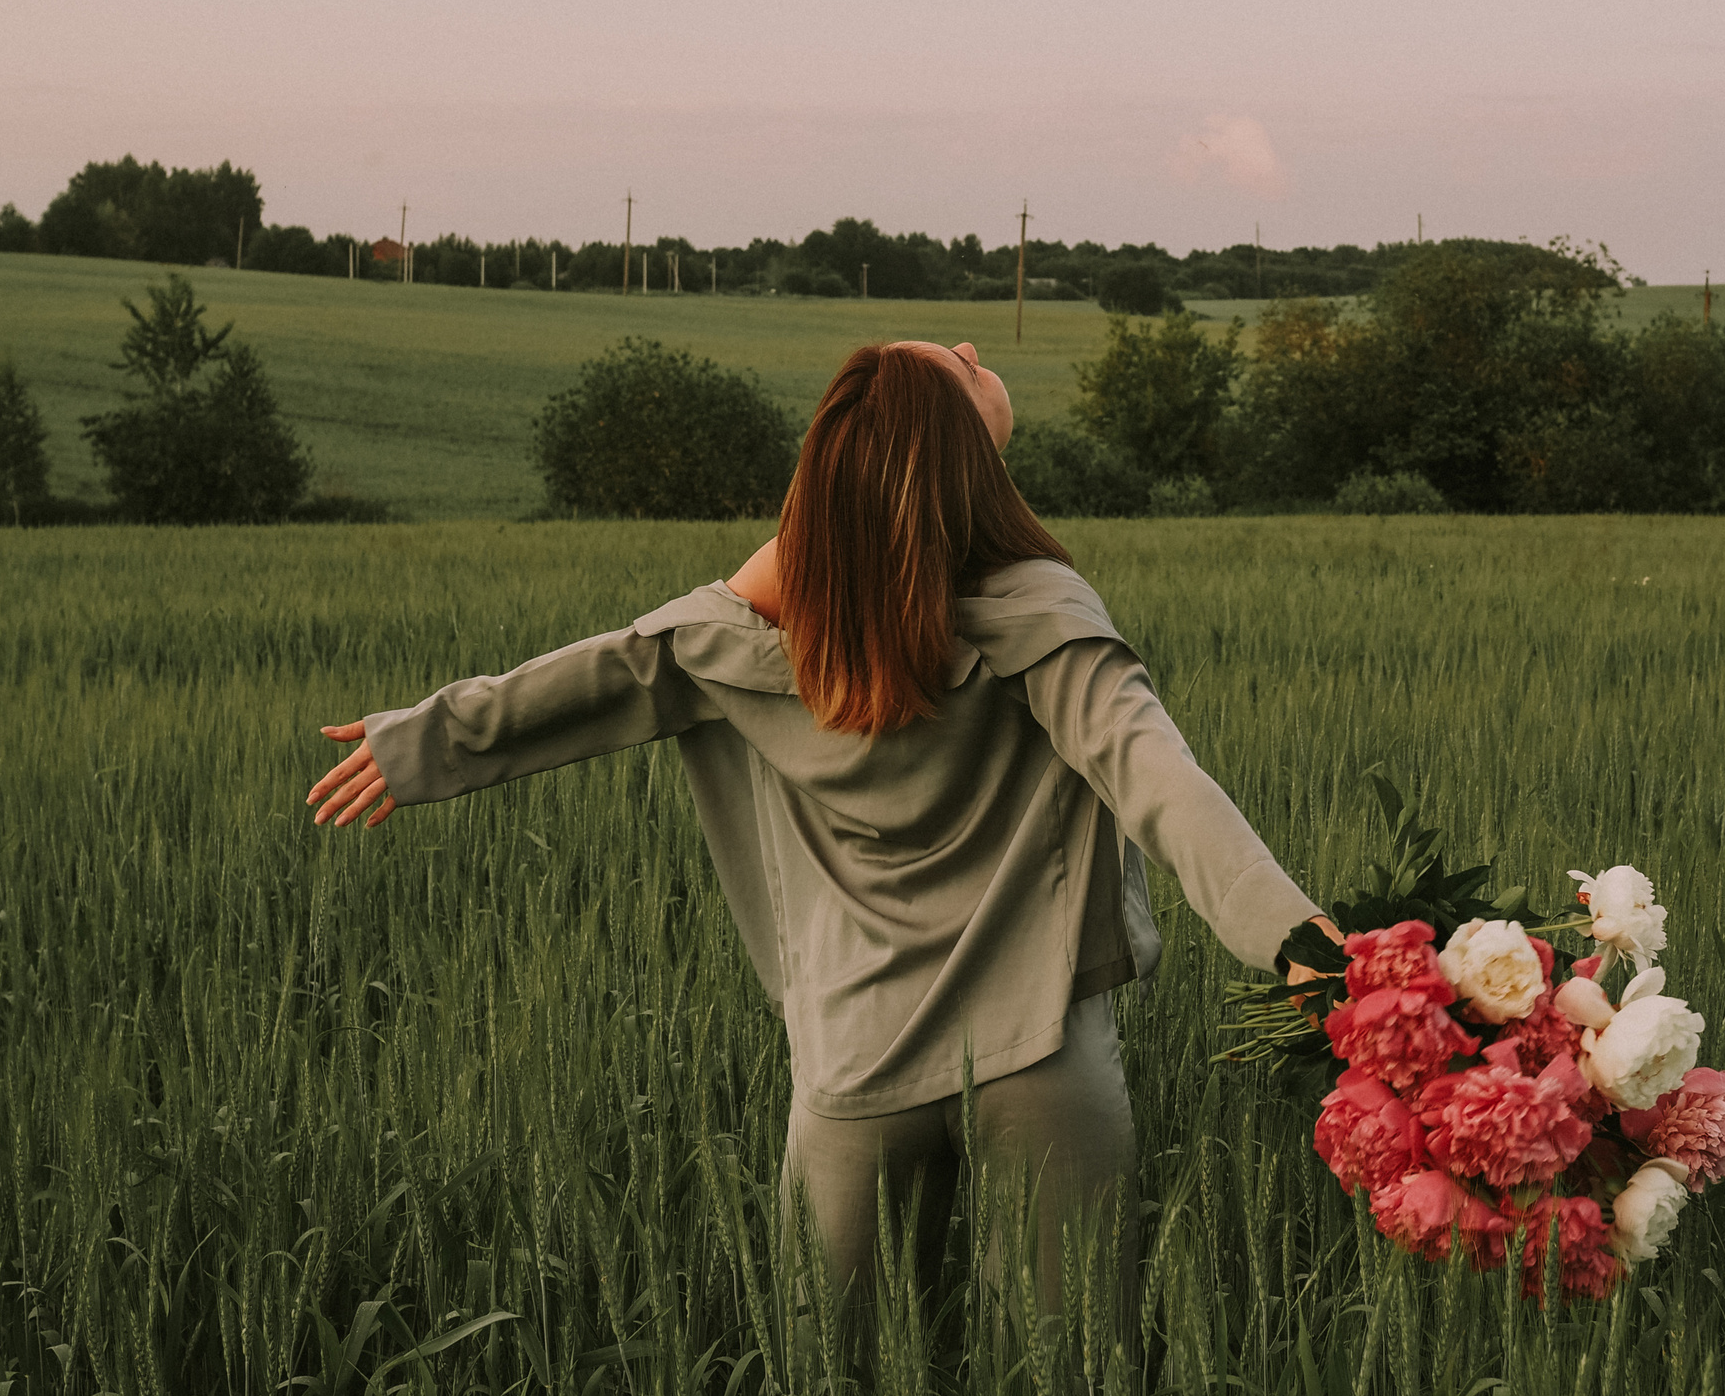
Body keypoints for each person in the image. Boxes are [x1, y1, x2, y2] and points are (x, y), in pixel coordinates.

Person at [305, 338, 1330, 1340]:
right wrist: (1294, 937)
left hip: (852, 1065)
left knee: (830, 1391)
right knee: (1068, 1392)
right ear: (963, 455)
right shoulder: (1045, 618)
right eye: (960, 365)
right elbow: (1159, 778)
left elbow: (614, 668)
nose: (973, 345)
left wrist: (422, 738)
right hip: (1040, 1055)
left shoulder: (755, 640)